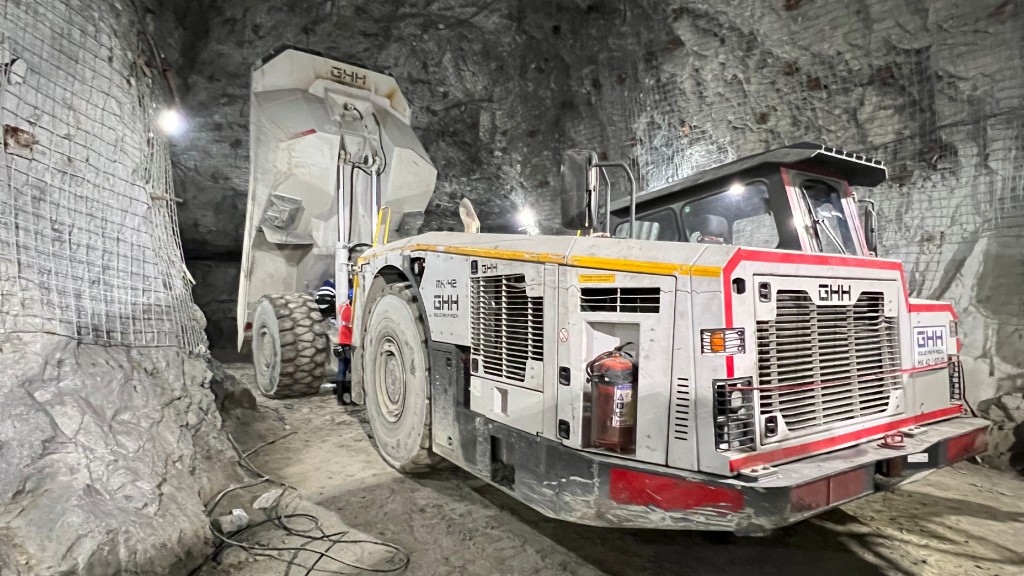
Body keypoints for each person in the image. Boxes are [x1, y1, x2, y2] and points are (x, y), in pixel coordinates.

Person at [334, 289, 354, 405]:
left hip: (342, 343)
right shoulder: (351, 312)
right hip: (350, 344)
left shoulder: (344, 308)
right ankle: (352, 397)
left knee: (341, 370)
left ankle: (339, 399)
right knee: (352, 371)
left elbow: (340, 307)